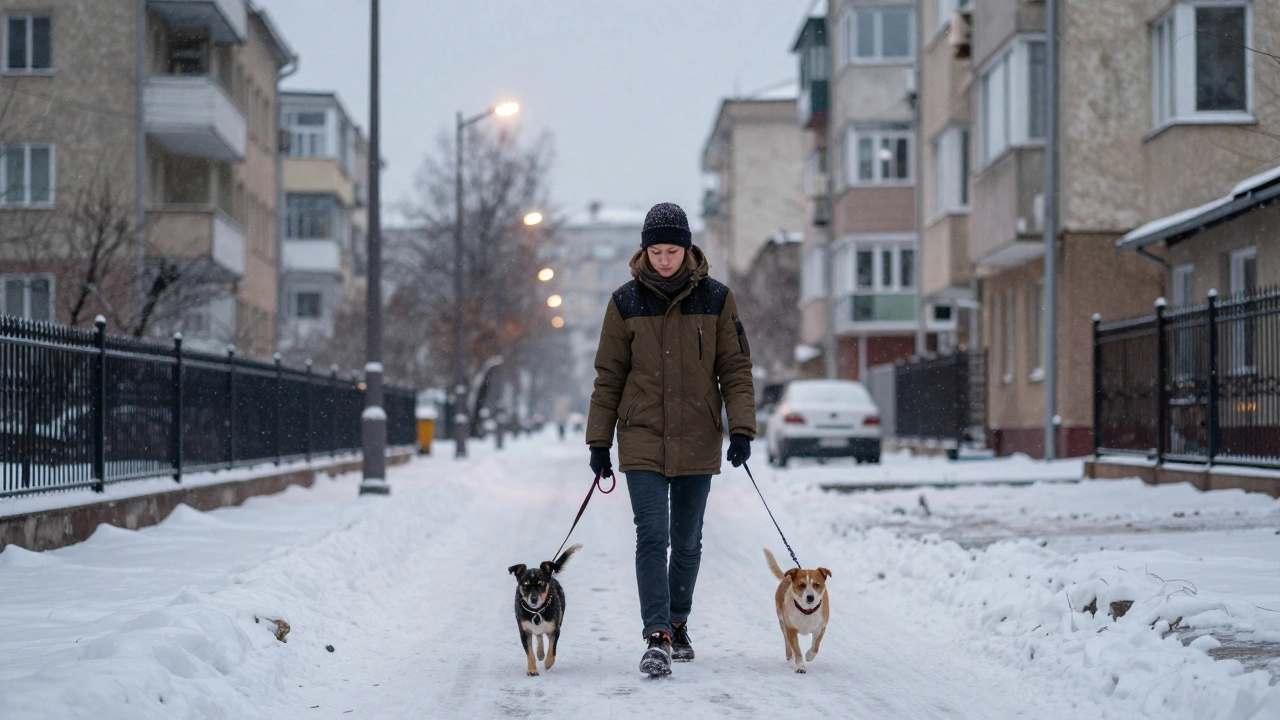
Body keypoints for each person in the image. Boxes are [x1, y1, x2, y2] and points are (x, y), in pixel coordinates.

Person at [585, 202, 755, 676]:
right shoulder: (624, 303)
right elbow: (608, 377)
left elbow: (735, 370)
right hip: (640, 439)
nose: (664, 260)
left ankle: (678, 622)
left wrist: (741, 427)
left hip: (698, 436)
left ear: (687, 249)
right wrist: (599, 442)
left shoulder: (717, 300)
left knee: (687, 541)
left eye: (672, 251)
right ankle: (656, 634)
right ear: (644, 251)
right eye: (656, 251)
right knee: (651, 535)